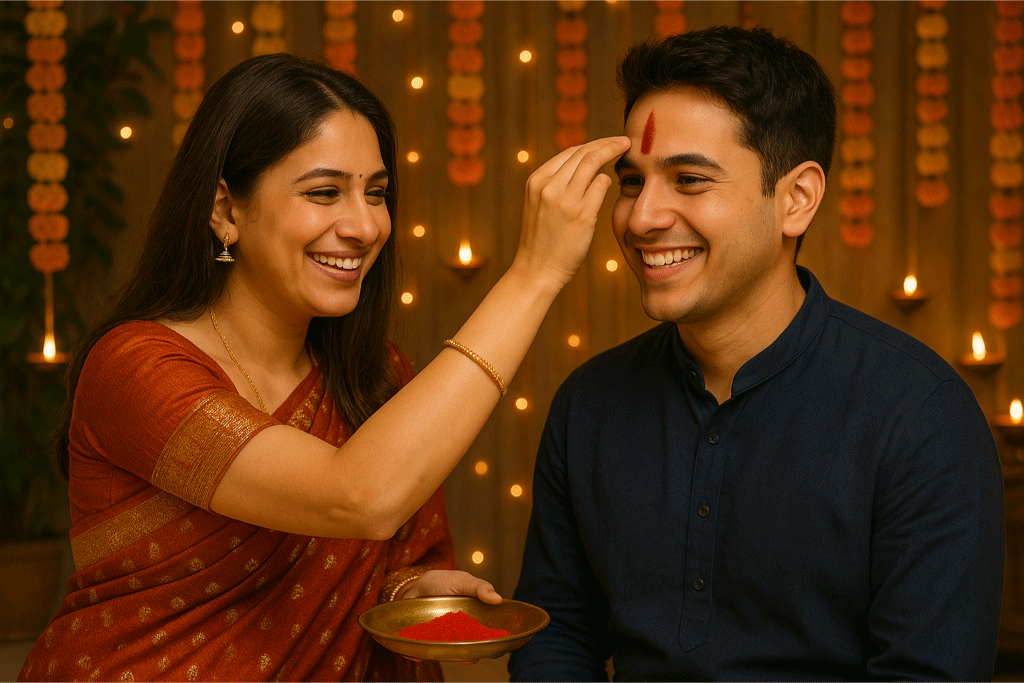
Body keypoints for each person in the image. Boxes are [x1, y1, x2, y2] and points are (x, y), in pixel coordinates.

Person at [18, 53, 629, 682]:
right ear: (225, 209)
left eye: (377, 194)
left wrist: (409, 594)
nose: (364, 226)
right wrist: (534, 275)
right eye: (323, 193)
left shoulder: (379, 377)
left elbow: (385, 555)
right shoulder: (136, 368)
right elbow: (356, 497)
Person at [509, 26, 1005, 682]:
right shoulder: (590, 402)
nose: (641, 217)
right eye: (631, 182)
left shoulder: (919, 415)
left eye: (689, 179)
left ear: (796, 199)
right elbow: (556, 635)